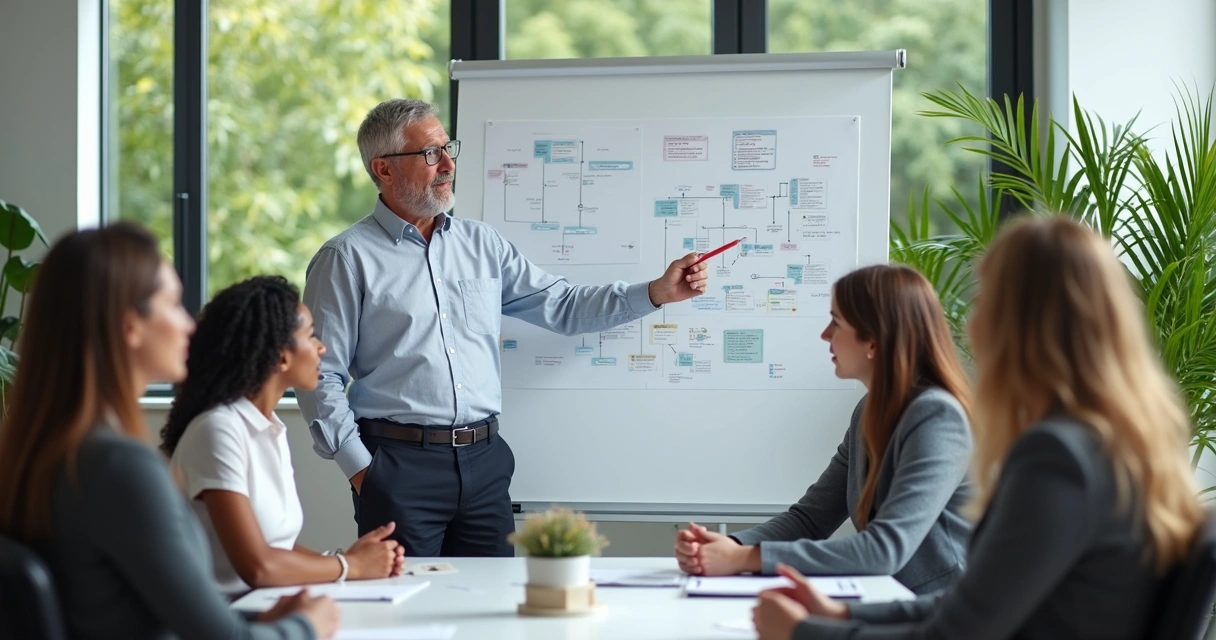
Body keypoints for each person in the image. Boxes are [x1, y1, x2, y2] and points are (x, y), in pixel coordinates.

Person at [752, 217, 1206, 640]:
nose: (969, 325)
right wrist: (845, 615)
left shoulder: (1056, 457)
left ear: (1024, 326)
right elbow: (966, 607)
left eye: (983, 302)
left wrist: (804, 632)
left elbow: (957, 633)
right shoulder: (1107, 443)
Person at [296, 98, 710, 557]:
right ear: (384, 169)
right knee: (407, 600)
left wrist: (655, 292)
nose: (448, 164)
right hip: (397, 467)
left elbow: (563, 306)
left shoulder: (482, 244)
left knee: (494, 597)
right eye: (430, 153)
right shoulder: (346, 258)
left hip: (485, 465)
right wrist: (363, 472)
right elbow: (318, 375)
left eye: (448, 148)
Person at [0, 223, 339, 639]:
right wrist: (307, 625)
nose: (188, 326)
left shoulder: (47, 452)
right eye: (174, 305)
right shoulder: (119, 466)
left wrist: (263, 621)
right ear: (131, 326)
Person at [675, 264, 973, 595]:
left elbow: (884, 550)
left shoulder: (937, 417)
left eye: (836, 322)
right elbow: (810, 520)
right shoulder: (867, 412)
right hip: (888, 601)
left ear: (873, 340)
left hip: (942, 610)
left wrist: (743, 558)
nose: (825, 334)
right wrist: (729, 545)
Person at [161, 275, 405, 596]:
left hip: (265, 606)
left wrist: (350, 561)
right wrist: (351, 566)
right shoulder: (218, 430)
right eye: (311, 336)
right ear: (281, 355)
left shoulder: (269, 427)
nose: (321, 347)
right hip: (226, 615)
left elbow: (278, 547)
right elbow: (259, 566)